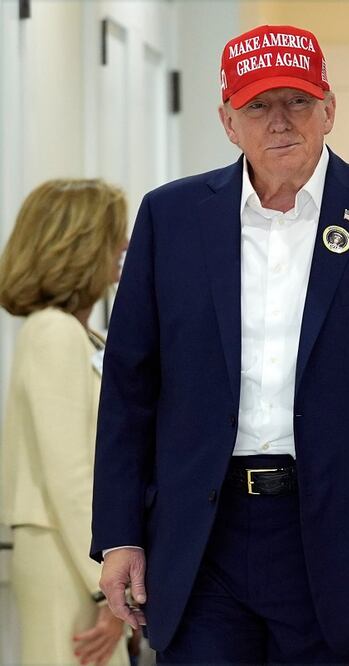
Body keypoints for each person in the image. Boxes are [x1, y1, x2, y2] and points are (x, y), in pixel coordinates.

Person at [89, 24, 349, 664]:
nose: (280, 122)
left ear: (329, 109)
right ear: (227, 120)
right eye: (257, 105)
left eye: (297, 101)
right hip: (202, 535)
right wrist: (119, 534)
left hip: (342, 536)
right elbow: (130, 389)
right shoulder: (171, 218)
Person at [0, 179, 130, 666]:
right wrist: (107, 591)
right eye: (115, 235)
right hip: (67, 559)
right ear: (79, 243)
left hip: (79, 557)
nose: (125, 247)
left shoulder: (81, 333)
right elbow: (71, 475)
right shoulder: (53, 332)